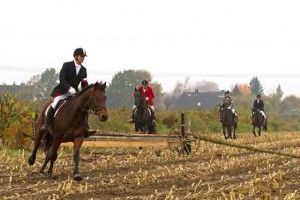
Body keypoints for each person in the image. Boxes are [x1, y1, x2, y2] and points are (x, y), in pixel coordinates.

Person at [40, 48, 90, 136]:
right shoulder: (67, 65)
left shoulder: (83, 70)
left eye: (83, 57)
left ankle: (85, 127)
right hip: (62, 91)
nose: (83, 58)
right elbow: (62, 79)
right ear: (75, 56)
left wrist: (85, 93)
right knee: (54, 103)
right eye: (81, 56)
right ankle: (46, 124)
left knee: (83, 106)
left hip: (74, 93)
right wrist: (69, 88)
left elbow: (84, 84)